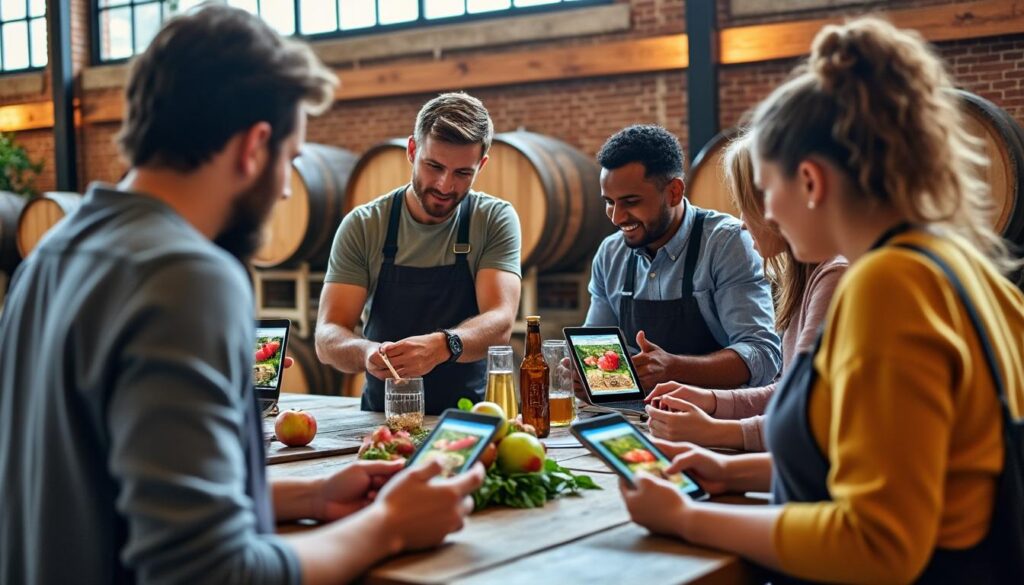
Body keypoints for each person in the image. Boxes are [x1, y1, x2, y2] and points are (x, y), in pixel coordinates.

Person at [0, 7, 483, 584]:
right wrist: (390, 526)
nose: (285, 190)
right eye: (291, 160)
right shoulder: (185, 275)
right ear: (255, 145)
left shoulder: (48, 259)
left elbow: (107, 493)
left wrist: (308, 496)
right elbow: (210, 572)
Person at [620, 18, 1024, 583]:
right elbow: (876, 461)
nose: (762, 215)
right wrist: (729, 472)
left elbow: (877, 544)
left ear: (809, 181)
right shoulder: (963, 268)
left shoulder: (887, 286)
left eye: (766, 188)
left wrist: (687, 518)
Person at [315, 93, 521, 414]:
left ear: (481, 165)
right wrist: (365, 351)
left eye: (462, 173)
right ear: (412, 150)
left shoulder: (493, 218)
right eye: (434, 165)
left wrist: (443, 346)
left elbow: (501, 322)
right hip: (380, 420)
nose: (444, 185)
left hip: (469, 417)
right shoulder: (365, 225)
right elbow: (327, 336)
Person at [644, 133, 847, 451]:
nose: (741, 223)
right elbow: (785, 393)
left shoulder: (835, 275)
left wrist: (713, 433)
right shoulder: (808, 277)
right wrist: (710, 400)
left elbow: (807, 417)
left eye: (747, 205)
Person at [584, 125, 781, 391]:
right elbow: (596, 346)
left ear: (674, 192)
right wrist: (584, 373)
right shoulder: (610, 254)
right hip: (638, 415)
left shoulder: (727, 243)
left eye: (631, 201)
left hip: (718, 419)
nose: (617, 217)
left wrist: (674, 368)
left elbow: (762, 355)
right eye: (610, 202)